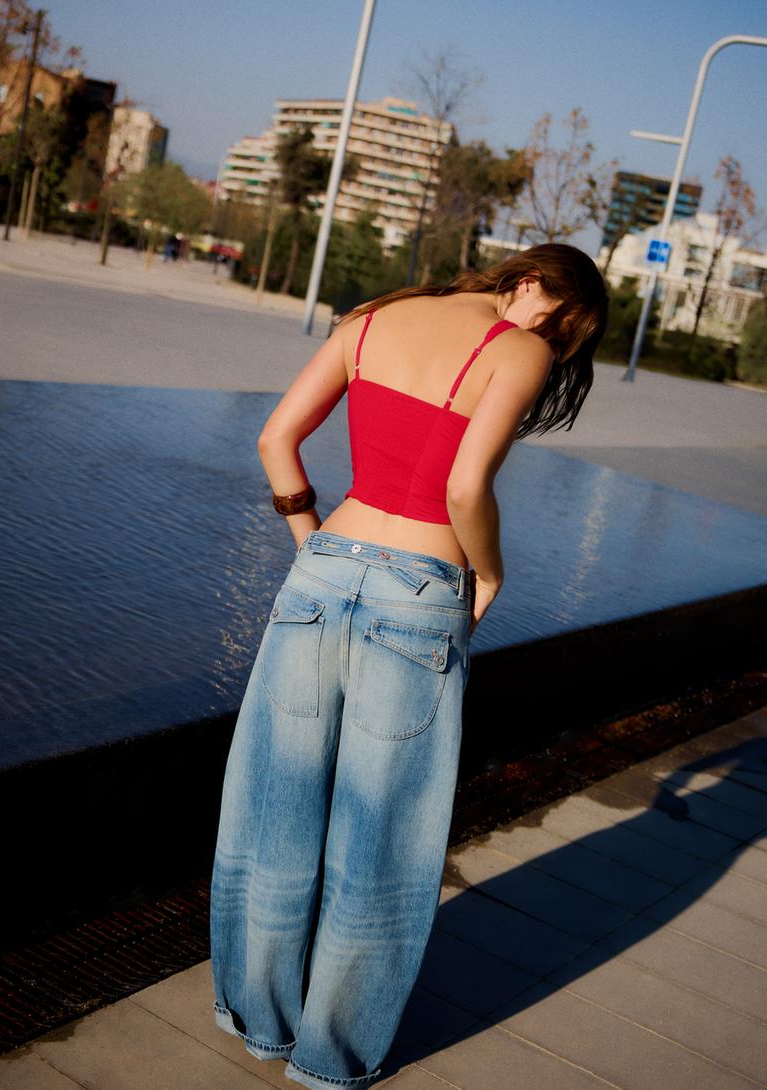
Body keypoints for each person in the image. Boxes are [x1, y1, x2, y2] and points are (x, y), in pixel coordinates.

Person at [210, 243, 609, 1089]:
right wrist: (491, 570)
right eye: (563, 325)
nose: (554, 341)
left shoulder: (371, 320)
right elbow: (466, 489)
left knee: (275, 804)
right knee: (381, 837)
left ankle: (261, 1022)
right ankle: (327, 1058)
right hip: (420, 591)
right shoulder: (520, 347)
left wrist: (310, 541)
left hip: (321, 568)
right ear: (535, 284)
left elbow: (276, 438)